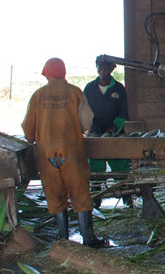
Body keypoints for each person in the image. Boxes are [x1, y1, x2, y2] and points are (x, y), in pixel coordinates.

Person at [22, 58, 106, 247]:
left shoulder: (38, 95)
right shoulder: (75, 92)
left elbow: (28, 127)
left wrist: (30, 138)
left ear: (47, 73)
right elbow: (87, 122)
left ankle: (62, 237)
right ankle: (89, 238)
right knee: (80, 192)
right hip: (72, 151)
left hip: (47, 153)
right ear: (64, 72)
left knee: (54, 194)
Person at [83, 55, 131, 206]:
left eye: (106, 68)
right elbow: (84, 111)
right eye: (99, 67)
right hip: (95, 132)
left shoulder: (118, 89)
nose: (102, 71)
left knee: (120, 164)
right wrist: (88, 128)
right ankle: (96, 198)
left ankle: (127, 197)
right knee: (95, 166)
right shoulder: (89, 88)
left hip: (114, 134)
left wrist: (114, 128)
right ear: (96, 68)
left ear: (112, 69)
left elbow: (123, 113)